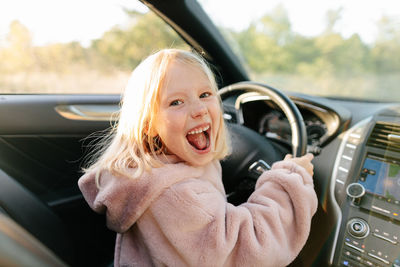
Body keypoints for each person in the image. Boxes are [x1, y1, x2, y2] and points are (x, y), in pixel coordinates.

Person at [78, 48, 317, 267]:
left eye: (205, 94)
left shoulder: (153, 171)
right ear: (149, 125)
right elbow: (249, 249)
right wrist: (287, 180)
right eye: (177, 102)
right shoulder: (175, 194)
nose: (199, 109)